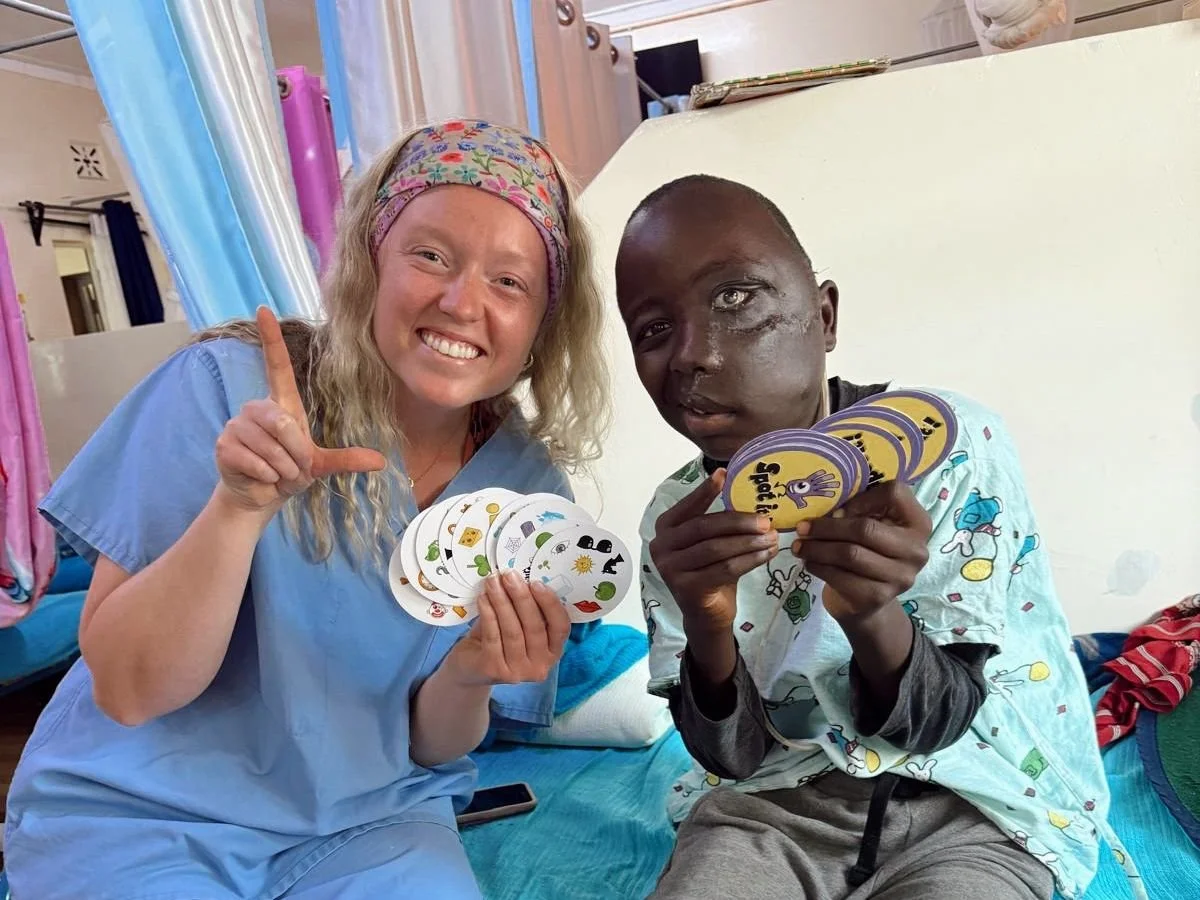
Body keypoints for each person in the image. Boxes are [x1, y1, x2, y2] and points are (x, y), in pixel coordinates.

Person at [4, 119, 610, 900]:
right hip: (143, 814)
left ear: (543, 321)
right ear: (370, 260)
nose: (463, 302)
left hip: (370, 822)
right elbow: (127, 689)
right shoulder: (226, 388)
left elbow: (433, 746)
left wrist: (471, 673)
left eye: (509, 282)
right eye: (430, 256)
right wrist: (238, 509)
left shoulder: (527, 495)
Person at [615, 175, 1139, 900]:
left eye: (734, 298)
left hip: (975, 803)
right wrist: (706, 622)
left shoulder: (943, 450)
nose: (690, 356)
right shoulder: (679, 521)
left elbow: (938, 722)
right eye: (652, 330)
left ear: (824, 316)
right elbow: (731, 759)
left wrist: (870, 614)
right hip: (775, 809)